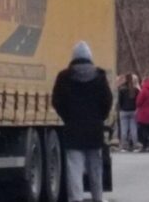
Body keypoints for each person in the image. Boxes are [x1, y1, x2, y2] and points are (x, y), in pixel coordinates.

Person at [52, 41, 112, 202]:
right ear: (89, 57)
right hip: (94, 130)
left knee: (74, 169)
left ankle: (76, 198)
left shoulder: (64, 77)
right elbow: (107, 101)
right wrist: (100, 117)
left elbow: (56, 101)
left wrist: (67, 117)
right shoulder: (99, 76)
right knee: (95, 168)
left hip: (73, 129)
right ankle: (97, 197)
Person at [118, 73, 140, 151]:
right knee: (133, 129)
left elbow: (119, 101)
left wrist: (120, 108)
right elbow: (138, 101)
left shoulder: (122, 89)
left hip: (124, 111)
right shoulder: (136, 90)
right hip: (133, 111)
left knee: (124, 129)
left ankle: (124, 146)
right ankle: (135, 146)